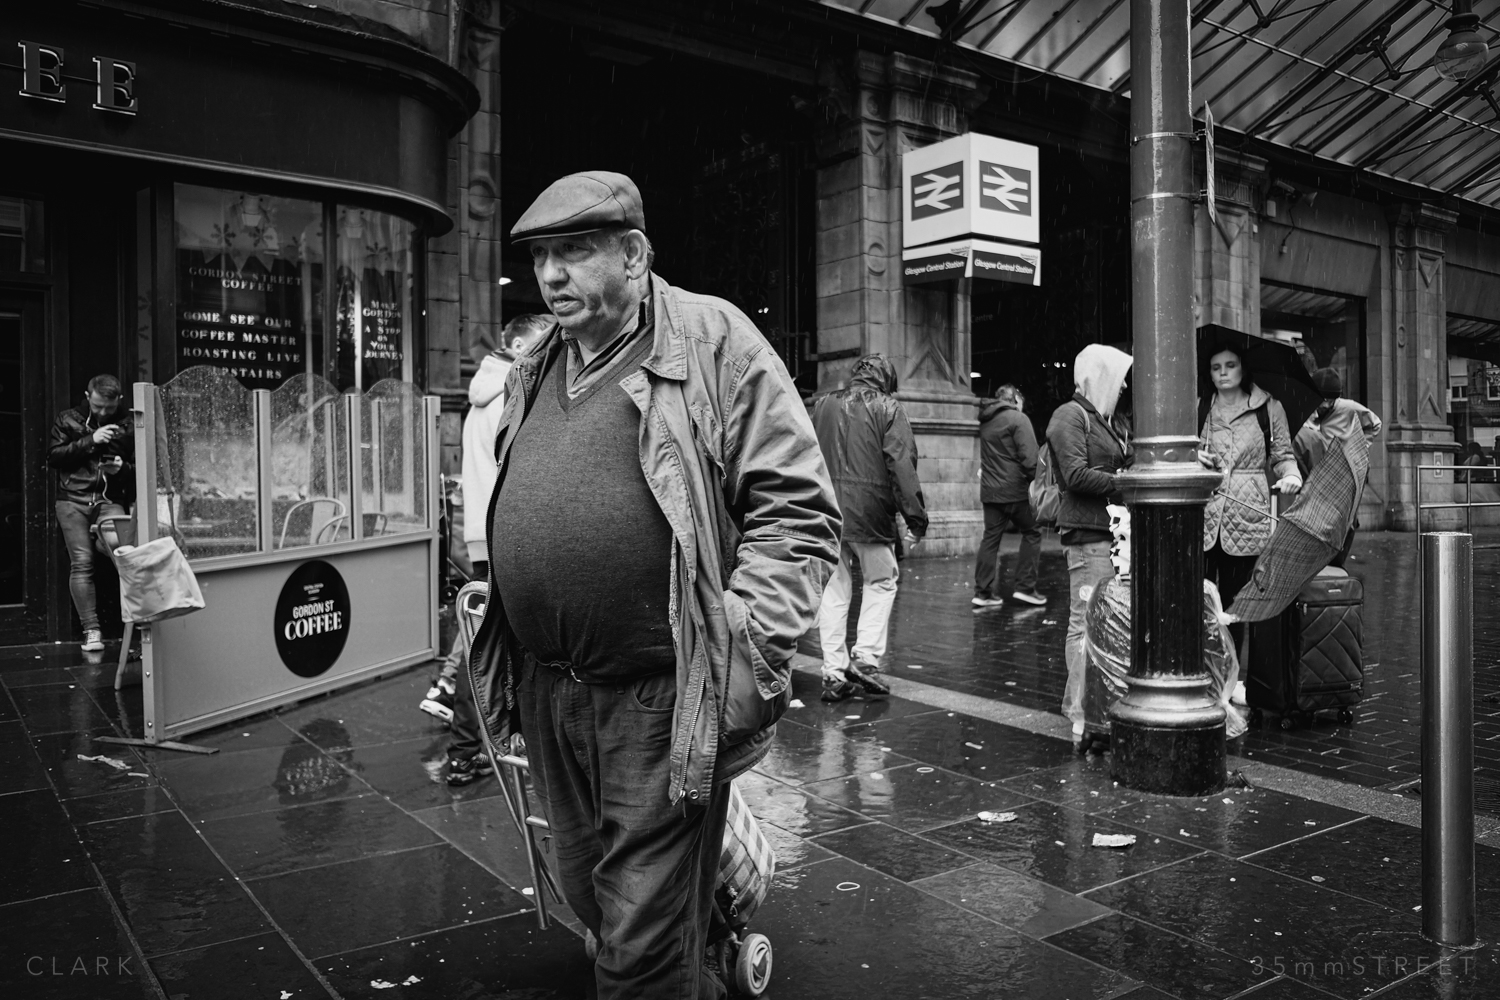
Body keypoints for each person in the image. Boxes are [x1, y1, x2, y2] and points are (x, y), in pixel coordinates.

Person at [468, 170, 840, 999]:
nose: (552, 276)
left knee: (634, 944)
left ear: (633, 256)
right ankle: (698, 961)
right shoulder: (538, 362)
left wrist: (744, 649)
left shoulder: (713, 339)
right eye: (540, 258)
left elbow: (799, 510)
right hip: (553, 690)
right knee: (591, 893)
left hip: (659, 696)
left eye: (575, 251)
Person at [420, 314, 555, 786]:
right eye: (542, 340)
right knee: (507, 643)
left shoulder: (483, 391)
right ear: (518, 343)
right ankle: (480, 747)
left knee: (486, 639)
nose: (551, 348)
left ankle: (467, 747)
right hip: (508, 531)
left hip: (484, 529)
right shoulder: (515, 389)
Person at [811, 354, 928, 702]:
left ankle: (833, 673)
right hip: (871, 514)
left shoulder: (822, 406)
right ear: (886, 381)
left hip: (827, 512)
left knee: (833, 590)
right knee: (881, 581)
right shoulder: (889, 408)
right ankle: (865, 658)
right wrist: (915, 519)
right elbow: (902, 465)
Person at [1047, 344, 1132, 752]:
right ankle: (1082, 715)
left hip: (1108, 533)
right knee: (1084, 623)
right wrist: (1123, 481)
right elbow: (1076, 474)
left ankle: (1097, 709)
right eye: (1117, 378)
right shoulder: (1070, 415)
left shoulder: (1105, 420)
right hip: (1087, 535)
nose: (1124, 387)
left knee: (1102, 624)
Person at [1200, 343, 1302, 653]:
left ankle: (1232, 676)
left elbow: (1283, 455)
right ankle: (1201, 671)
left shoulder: (1268, 408)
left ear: (1242, 367)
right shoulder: (1201, 405)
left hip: (1247, 517)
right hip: (1205, 513)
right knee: (1199, 600)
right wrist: (1197, 460)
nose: (1223, 373)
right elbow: (1187, 450)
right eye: (1216, 367)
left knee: (1235, 604)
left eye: (1229, 365)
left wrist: (1291, 475)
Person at [48, 374, 135, 652]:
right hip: (73, 500)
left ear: (118, 401)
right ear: (88, 397)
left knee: (121, 551)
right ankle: (92, 630)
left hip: (109, 500)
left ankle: (136, 622)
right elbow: (54, 457)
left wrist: (122, 468)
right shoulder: (68, 419)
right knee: (82, 564)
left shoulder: (129, 424)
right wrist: (91, 440)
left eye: (108, 407)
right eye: (97, 406)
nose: (102, 412)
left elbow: (145, 469)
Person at [1295, 367, 1381, 565]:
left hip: (1342, 471)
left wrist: (1359, 447)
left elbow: (1375, 424)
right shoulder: (1308, 411)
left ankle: (1338, 561)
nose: (1325, 404)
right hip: (1318, 473)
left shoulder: (1348, 408)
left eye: (1329, 400)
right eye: (1321, 399)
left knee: (1345, 521)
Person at [972, 384, 1044, 608]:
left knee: (990, 539)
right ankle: (1025, 587)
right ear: (1014, 399)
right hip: (1015, 491)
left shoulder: (985, 421)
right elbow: (1030, 459)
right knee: (1032, 532)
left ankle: (982, 593)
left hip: (991, 491)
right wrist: (1037, 483)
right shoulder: (1018, 419)